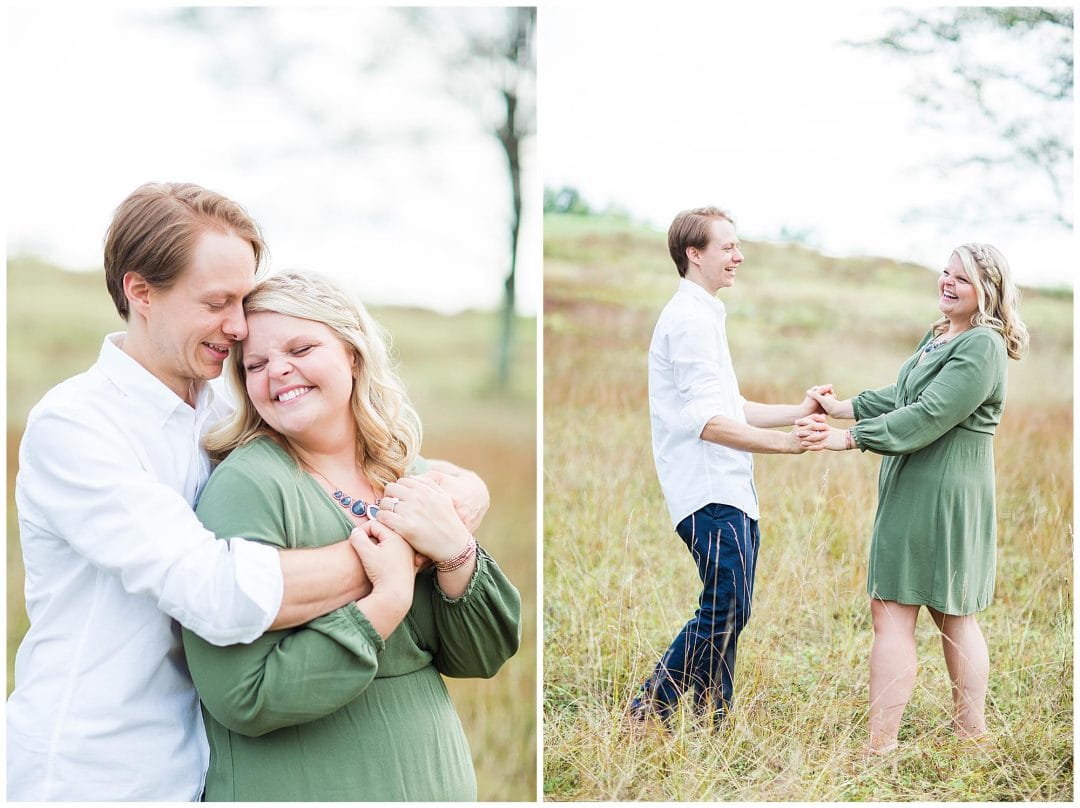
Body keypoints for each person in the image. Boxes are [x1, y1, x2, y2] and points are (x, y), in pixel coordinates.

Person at [7, 182, 489, 800]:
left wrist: (461, 492)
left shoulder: (222, 408)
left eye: (242, 300)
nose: (238, 327)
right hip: (95, 771)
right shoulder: (76, 427)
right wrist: (404, 549)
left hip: (204, 767)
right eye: (217, 302)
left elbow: (378, 460)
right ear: (140, 292)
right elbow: (219, 593)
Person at [179, 271, 520, 801]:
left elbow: (484, 655)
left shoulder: (403, 471)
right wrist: (384, 602)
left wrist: (455, 554)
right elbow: (242, 696)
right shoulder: (248, 486)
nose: (278, 371)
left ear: (353, 354)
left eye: (301, 347)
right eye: (256, 364)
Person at [798, 243, 1028, 754]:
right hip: (913, 483)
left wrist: (849, 439)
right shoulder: (942, 334)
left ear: (987, 290)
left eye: (961, 279)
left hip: (945, 489)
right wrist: (843, 407)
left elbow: (928, 415)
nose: (947, 283)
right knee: (905, 611)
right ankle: (900, 739)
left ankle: (953, 734)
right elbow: (903, 394)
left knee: (946, 612)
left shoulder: (983, 346)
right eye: (945, 273)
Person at [628, 206, 829, 729]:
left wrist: (798, 410)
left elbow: (731, 406)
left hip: (730, 489)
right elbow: (708, 423)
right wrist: (787, 446)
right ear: (694, 255)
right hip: (708, 490)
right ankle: (647, 709)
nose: (739, 256)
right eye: (727, 247)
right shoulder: (688, 319)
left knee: (730, 609)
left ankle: (713, 722)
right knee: (724, 607)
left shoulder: (706, 314)